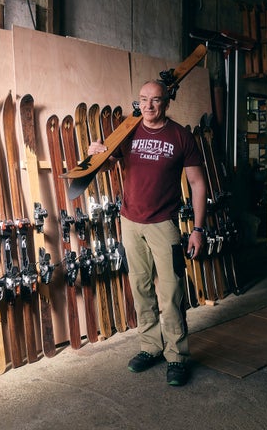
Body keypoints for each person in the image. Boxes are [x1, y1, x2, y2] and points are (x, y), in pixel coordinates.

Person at [88, 79, 207, 386]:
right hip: (130, 222)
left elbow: (197, 184)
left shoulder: (181, 136)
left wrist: (197, 229)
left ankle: (177, 356)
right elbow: (105, 165)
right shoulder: (128, 130)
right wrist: (96, 152)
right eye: (143, 100)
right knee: (141, 289)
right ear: (137, 102)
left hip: (164, 225)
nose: (148, 106)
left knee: (171, 292)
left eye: (155, 100)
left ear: (166, 102)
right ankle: (150, 347)